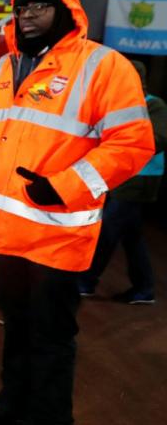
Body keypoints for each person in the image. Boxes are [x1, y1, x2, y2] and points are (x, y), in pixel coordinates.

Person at [0, 0, 154, 425]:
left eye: (39, 5)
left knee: (51, 336)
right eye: (21, 6)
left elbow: (133, 143)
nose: (27, 15)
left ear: (66, 9)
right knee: (15, 327)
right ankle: (14, 404)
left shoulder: (102, 65)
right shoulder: (5, 66)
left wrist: (66, 185)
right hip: (7, 232)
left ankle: (50, 421)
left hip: (57, 233)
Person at [79, 60, 165, 304]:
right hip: (117, 175)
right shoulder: (116, 106)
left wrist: (122, 145)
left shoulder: (154, 106)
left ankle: (85, 281)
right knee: (131, 235)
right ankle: (144, 288)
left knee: (107, 229)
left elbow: (158, 138)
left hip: (140, 178)